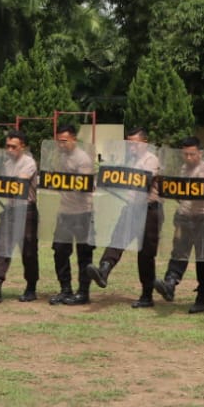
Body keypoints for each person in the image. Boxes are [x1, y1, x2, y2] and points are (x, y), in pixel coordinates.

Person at [85, 126, 163, 308]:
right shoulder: (130, 160)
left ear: (144, 143)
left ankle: (147, 295)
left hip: (149, 210)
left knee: (145, 255)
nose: (131, 147)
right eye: (128, 144)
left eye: (134, 144)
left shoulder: (151, 160)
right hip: (130, 208)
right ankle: (103, 270)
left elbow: (143, 181)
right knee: (117, 240)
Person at [0, 130, 39, 303]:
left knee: (28, 252)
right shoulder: (7, 164)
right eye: (7, 146)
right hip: (10, 211)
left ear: (22, 147)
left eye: (13, 146)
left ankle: (31, 288)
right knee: (1, 246)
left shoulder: (29, 163)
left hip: (26, 211)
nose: (9, 149)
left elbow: (19, 183)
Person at [154, 136, 204, 313]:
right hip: (184, 217)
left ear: (200, 153)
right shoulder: (183, 169)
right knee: (178, 253)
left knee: (203, 259)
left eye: (192, 154)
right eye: (186, 154)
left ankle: (202, 297)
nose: (189, 158)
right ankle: (170, 284)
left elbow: (200, 196)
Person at [46, 122, 96, 306]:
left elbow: (83, 186)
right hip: (65, 211)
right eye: (58, 141)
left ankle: (83, 293)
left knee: (84, 254)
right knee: (59, 250)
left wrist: (63, 183)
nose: (61, 145)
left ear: (74, 139)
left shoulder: (82, 159)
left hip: (83, 212)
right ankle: (65, 289)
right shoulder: (60, 157)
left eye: (64, 141)